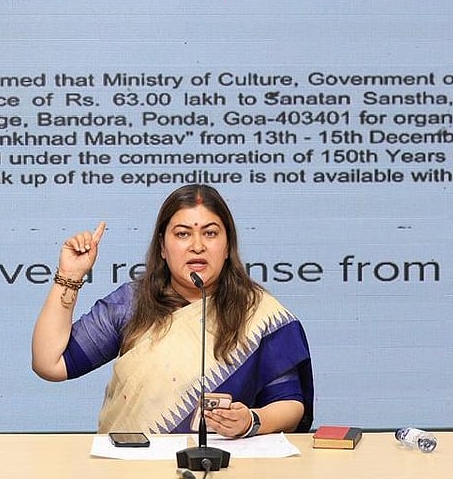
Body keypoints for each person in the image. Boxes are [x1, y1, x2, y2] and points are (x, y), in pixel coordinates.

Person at [31, 184, 314, 437]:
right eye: (182, 234)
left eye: (210, 233)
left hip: (227, 466)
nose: (197, 246)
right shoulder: (131, 303)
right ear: (163, 247)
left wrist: (251, 420)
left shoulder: (258, 312)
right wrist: (69, 276)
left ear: (228, 246)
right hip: (133, 469)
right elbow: (50, 364)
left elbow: (290, 403)